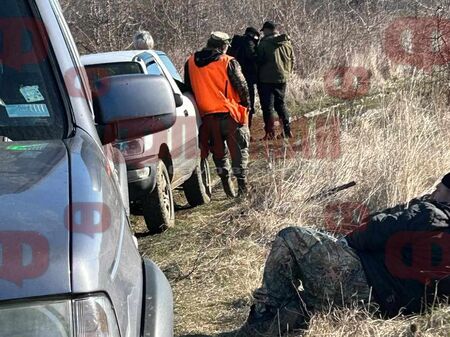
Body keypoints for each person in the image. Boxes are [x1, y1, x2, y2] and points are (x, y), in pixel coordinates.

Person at [239, 173, 450, 336]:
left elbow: (372, 230)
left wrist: (342, 242)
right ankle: (279, 321)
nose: (433, 192)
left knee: (290, 237)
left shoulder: (429, 213)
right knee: (305, 300)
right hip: (387, 309)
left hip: (364, 284)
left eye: (437, 189)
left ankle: (264, 313)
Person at [184, 32, 250, 197]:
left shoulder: (190, 62)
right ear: (223, 46)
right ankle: (242, 188)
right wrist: (246, 104)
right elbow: (242, 86)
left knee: (219, 154)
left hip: (207, 117)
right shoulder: (228, 61)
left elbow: (188, 88)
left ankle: (227, 186)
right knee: (239, 151)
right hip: (230, 114)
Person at [257, 21, 295, 140]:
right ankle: (287, 131)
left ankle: (270, 133)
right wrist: (287, 73)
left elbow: (259, 60)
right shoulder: (287, 43)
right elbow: (292, 59)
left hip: (266, 79)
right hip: (282, 78)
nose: (263, 34)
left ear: (268, 30)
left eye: (264, 31)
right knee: (281, 104)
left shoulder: (264, 44)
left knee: (268, 107)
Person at [228, 27, 260, 128]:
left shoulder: (235, 42)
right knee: (248, 104)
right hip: (247, 77)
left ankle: (235, 127)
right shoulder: (248, 42)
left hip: (232, 78)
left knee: (236, 103)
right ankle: (246, 128)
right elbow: (253, 56)